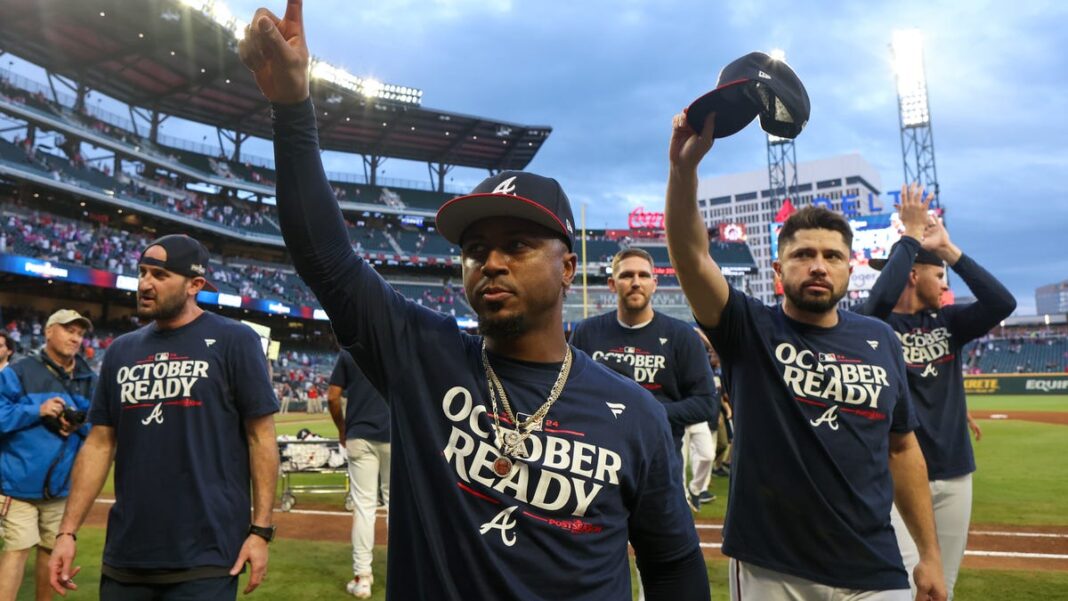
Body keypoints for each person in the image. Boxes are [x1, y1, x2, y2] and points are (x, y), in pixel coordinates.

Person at [237, 3, 709, 598]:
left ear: (567, 268)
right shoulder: (422, 356)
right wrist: (290, 108)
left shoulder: (632, 412)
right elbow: (325, 257)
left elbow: (672, 566)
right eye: (475, 248)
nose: (490, 261)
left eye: (517, 244)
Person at [664, 111, 947, 600]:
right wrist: (683, 171)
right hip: (774, 568)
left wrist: (929, 555)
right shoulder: (748, 328)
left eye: (832, 256)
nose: (818, 265)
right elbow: (691, 256)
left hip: (874, 565)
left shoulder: (879, 339)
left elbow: (902, 448)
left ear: (848, 267)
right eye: (802, 255)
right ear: (779, 268)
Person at [48, 234, 280, 600]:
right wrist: (67, 532)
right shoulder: (121, 351)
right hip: (128, 553)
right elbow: (99, 444)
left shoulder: (235, 340)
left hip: (208, 554)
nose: (144, 284)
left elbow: (261, 438)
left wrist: (261, 531)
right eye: (142, 273)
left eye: (159, 275)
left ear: (195, 284)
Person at [856, 184, 1016, 599]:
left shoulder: (948, 322)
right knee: (906, 585)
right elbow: (875, 305)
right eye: (939, 273)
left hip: (953, 470)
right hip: (897, 475)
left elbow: (1002, 303)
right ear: (912, 274)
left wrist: (950, 252)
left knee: (943, 585)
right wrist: (909, 241)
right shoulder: (873, 328)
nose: (944, 283)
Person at [569, 248, 718, 510]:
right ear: (613, 284)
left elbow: (706, 403)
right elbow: (567, 395)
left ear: (654, 284)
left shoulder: (681, 337)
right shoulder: (587, 332)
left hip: (659, 466)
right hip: (597, 468)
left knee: (667, 549)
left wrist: (648, 411)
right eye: (627, 275)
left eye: (643, 275)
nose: (636, 282)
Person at [0, 310, 94, 601]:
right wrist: (36, 410)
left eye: (80, 333)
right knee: (16, 552)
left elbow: (100, 430)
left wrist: (78, 425)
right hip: (19, 484)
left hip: (63, 488)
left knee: (51, 555)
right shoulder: (19, 370)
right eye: (69, 331)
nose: (75, 338)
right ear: (49, 332)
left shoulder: (89, 377)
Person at [327, 351, 390, 598]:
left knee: (364, 508)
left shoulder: (350, 352)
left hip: (359, 435)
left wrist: (343, 429)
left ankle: (362, 578)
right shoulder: (396, 349)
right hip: (395, 435)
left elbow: (333, 398)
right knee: (397, 508)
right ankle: (402, 571)